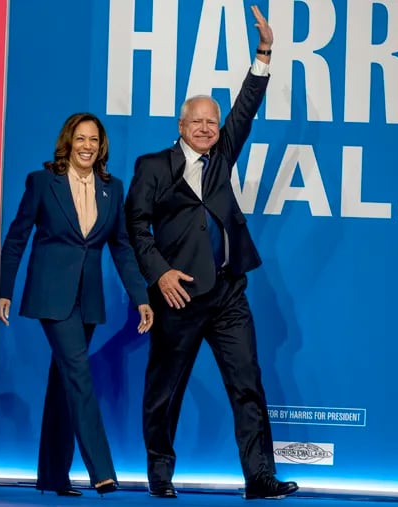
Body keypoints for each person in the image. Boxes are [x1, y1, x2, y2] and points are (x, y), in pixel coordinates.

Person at [124, 6, 299, 500]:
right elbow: (136, 226)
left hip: (227, 295)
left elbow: (246, 106)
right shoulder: (153, 166)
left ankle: (260, 480)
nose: (205, 127)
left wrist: (264, 53)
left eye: (212, 121)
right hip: (178, 298)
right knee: (165, 394)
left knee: (248, 386)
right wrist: (158, 275)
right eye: (196, 120)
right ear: (181, 124)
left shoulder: (223, 156)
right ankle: (160, 475)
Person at [0, 112, 153, 496]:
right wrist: (5, 288)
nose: (87, 146)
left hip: (88, 299)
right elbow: (17, 238)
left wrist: (141, 296)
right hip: (51, 296)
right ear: (68, 141)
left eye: (94, 141)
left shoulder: (111, 188)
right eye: (81, 139)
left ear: (102, 148)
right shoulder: (42, 182)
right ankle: (102, 469)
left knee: (63, 382)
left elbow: (121, 246)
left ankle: (52, 475)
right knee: (80, 375)